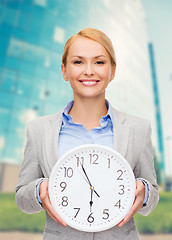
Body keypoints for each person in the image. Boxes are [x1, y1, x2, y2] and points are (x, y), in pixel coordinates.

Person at [15, 28, 159, 240]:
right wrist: (38, 190)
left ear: (113, 70)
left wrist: (145, 191)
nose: (89, 70)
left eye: (99, 62)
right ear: (64, 70)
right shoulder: (39, 130)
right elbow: (21, 198)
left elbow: (153, 193)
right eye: (78, 62)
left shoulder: (138, 128)